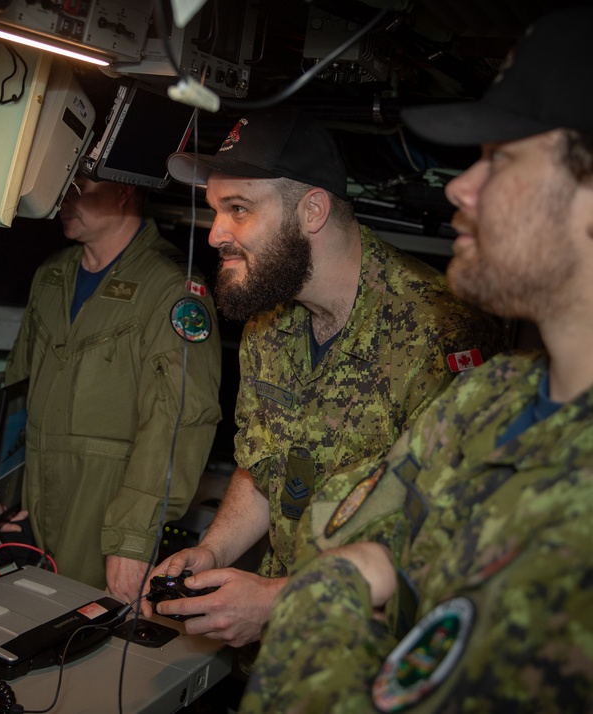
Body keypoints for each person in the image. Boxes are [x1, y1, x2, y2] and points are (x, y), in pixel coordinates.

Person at [240, 6, 593, 712]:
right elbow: (338, 523)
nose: (461, 186)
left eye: (504, 157)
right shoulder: (490, 396)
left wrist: (335, 586)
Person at [140, 107, 505, 656]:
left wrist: (275, 602)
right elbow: (264, 465)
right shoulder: (270, 318)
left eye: (238, 209)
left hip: (377, 661)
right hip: (282, 655)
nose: (215, 234)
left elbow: (459, 543)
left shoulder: (441, 332)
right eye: (216, 211)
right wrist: (214, 550)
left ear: (312, 210)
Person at [0, 175, 222, 605]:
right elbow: (15, 389)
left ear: (125, 190)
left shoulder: (171, 288)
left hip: (108, 500)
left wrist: (131, 538)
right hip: (35, 494)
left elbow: (178, 417)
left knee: (86, 634)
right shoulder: (52, 275)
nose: (65, 197)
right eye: (66, 183)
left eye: (80, 186)